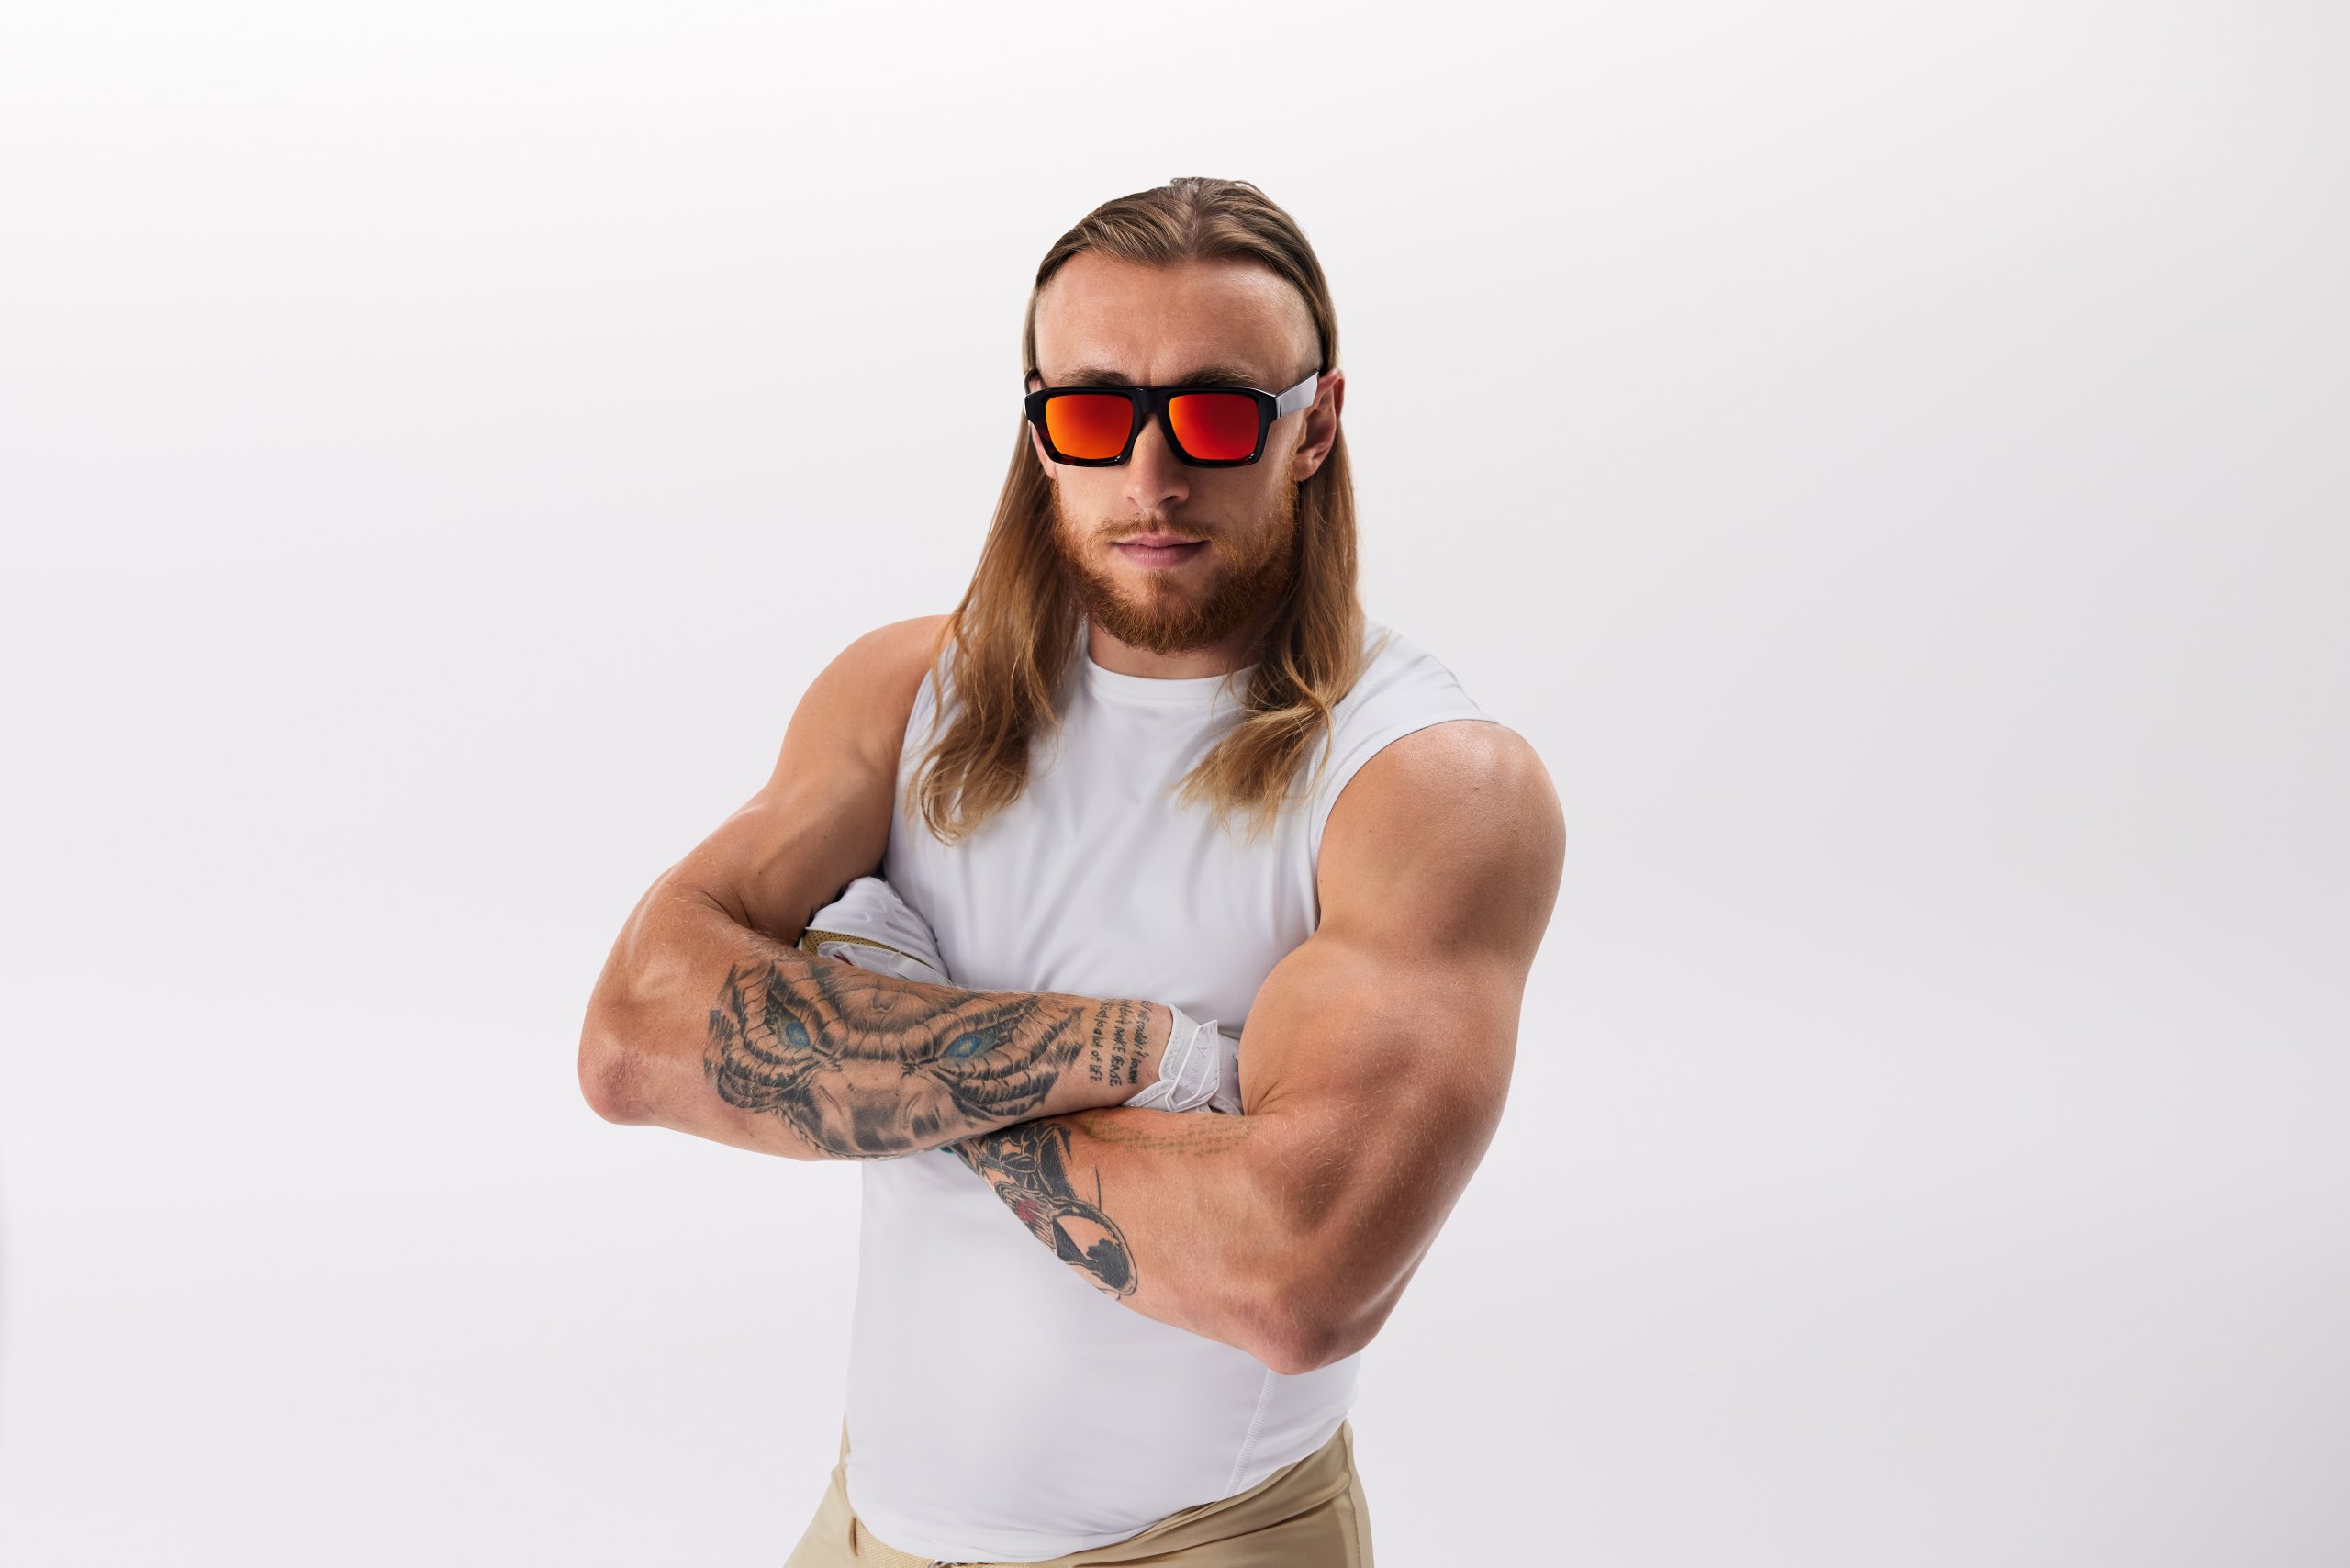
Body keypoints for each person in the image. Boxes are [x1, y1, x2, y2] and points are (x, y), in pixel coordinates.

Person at [576, 176, 1565, 1567]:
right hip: (869, 1526)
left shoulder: (1422, 784)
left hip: (1203, 1543)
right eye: (1095, 413)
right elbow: (634, 1042)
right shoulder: (904, 692)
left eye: (1218, 414)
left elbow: (1293, 1277)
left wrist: (879, 1041)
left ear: (1315, 427)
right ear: (1038, 423)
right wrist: (1149, 1056)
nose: (1151, 479)